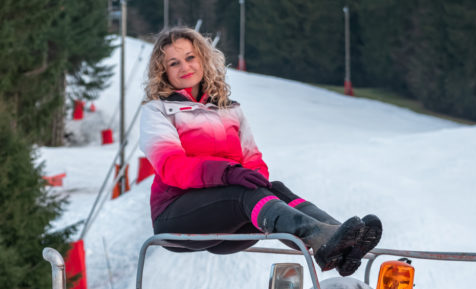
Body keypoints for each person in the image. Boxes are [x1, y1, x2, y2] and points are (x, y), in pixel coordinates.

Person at [139, 27, 382, 274]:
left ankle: (342, 241)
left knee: (274, 188)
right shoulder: (158, 111)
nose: (184, 67)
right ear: (164, 71)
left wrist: (254, 179)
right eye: (174, 63)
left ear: (202, 58)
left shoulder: (229, 109)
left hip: (231, 219)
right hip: (178, 217)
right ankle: (319, 238)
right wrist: (227, 173)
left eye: (190, 57)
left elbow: (252, 160)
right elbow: (171, 166)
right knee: (243, 194)